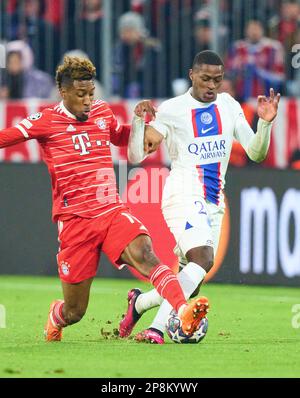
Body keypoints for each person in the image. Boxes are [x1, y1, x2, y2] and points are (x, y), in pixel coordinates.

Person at [0, 55, 208, 342]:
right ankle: (56, 315)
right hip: (75, 222)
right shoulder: (46, 120)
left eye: (91, 94)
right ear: (64, 93)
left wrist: (141, 125)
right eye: (80, 95)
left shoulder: (102, 112)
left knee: (147, 255)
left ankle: (183, 311)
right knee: (74, 311)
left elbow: (122, 136)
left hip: (111, 210)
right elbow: (6, 136)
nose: (87, 101)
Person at [119, 50, 280, 344]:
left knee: (191, 281)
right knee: (203, 259)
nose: (211, 85)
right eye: (205, 78)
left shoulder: (229, 106)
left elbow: (256, 153)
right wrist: (138, 122)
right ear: (191, 75)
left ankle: (138, 303)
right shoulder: (172, 109)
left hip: (213, 202)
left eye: (217, 80)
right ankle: (157, 328)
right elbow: (135, 154)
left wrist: (266, 123)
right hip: (182, 192)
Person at [226, 20, 285, 101]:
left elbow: (280, 77)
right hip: (241, 97)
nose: (254, 32)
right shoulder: (237, 47)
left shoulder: (273, 47)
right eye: (251, 29)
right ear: (246, 30)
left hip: (267, 96)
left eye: (256, 28)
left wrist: (259, 72)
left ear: (262, 30)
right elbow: (229, 73)